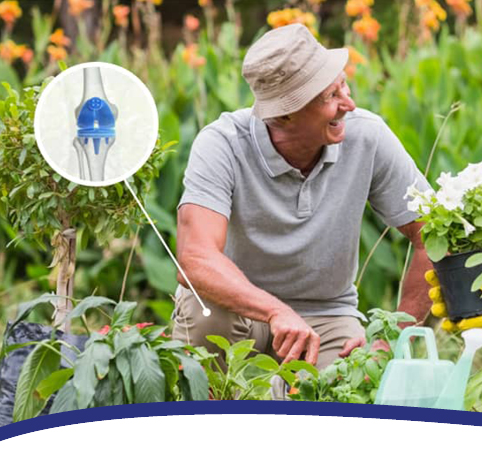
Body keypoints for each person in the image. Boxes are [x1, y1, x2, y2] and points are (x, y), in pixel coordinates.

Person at [172, 24, 431, 369]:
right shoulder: (222, 143)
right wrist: (275, 311)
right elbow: (195, 257)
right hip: (236, 310)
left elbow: (431, 233)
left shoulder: (367, 136)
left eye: (344, 85)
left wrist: (391, 337)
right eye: (330, 97)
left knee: (353, 383)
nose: (349, 104)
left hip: (327, 316)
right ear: (284, 114)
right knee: (203, 314)